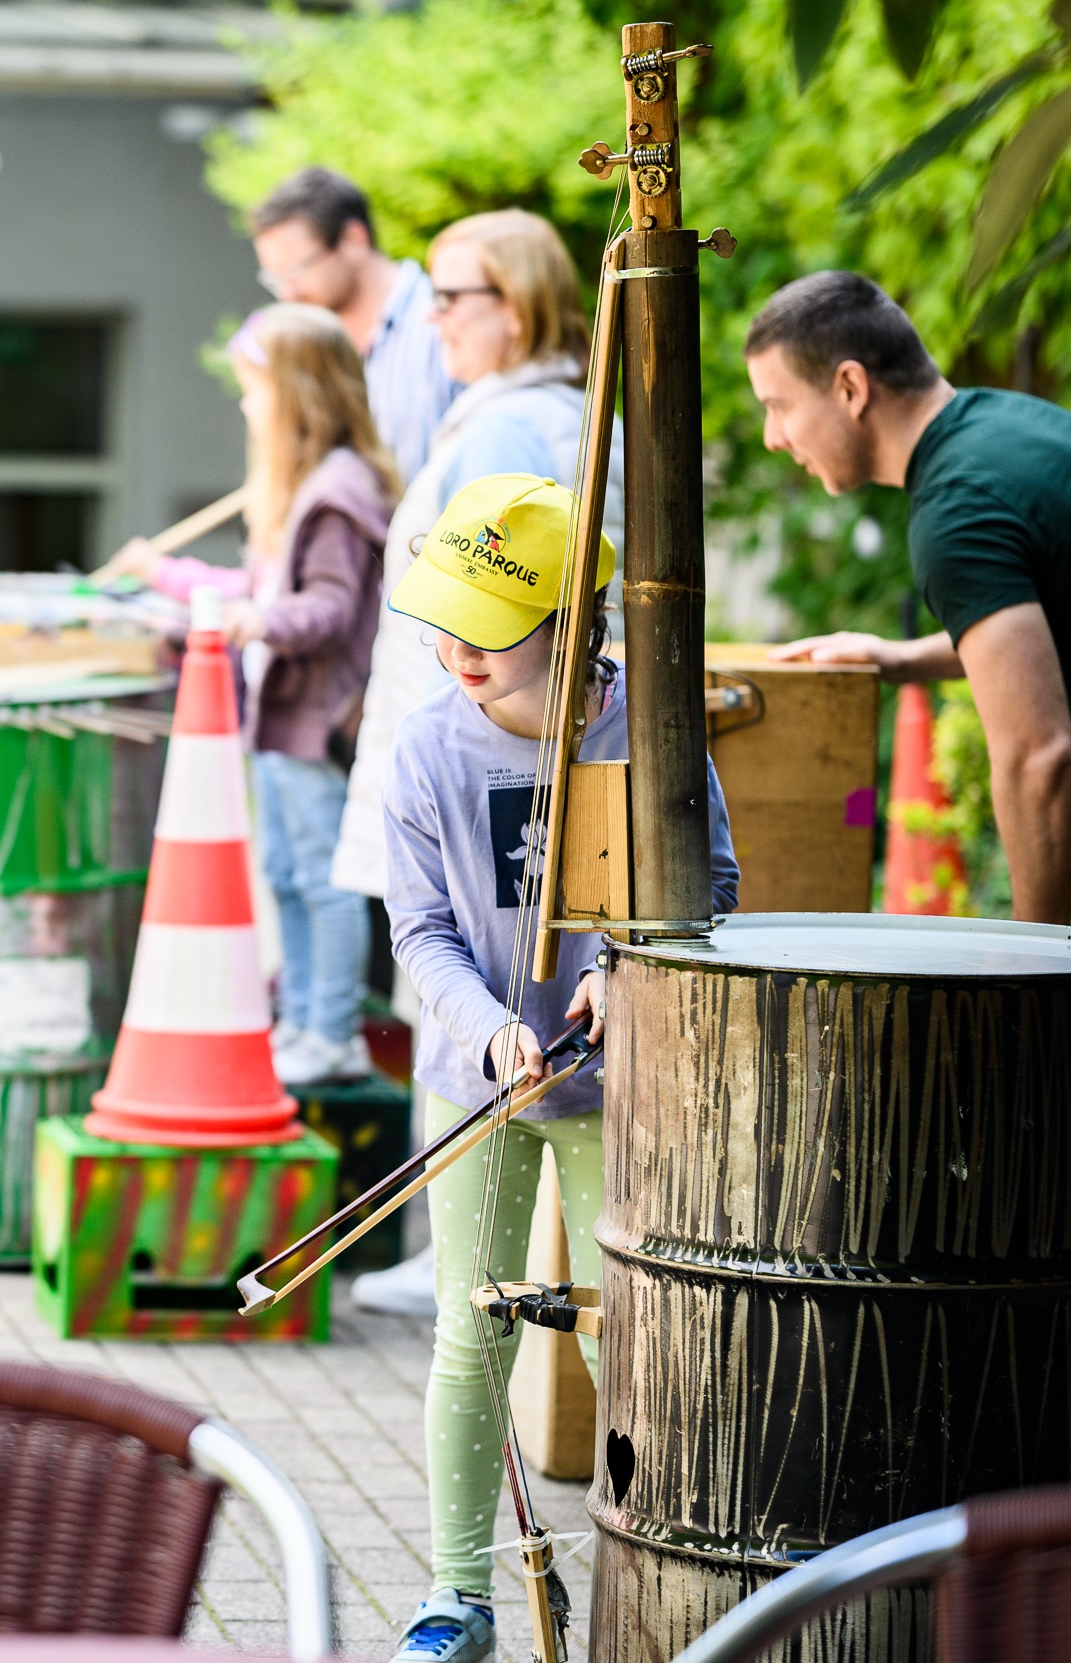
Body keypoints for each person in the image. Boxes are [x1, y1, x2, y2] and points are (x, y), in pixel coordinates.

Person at [748, 271, 1071, 1351]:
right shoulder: (1003, 431)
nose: (771, 438)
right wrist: (900, 658)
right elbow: (1036, 625)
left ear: (847, 386)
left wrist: (1037, 971)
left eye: (777, 405)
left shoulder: (957, 506)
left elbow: (1036, 758)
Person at [380, 475, 736, 1663]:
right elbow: (420, 928)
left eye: (490, 626)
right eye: (444, 618)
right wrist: (488, 1024)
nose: (456, 650)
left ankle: (651, 1579)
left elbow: (713, 880)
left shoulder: (642, 727)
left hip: (607, 1077)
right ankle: (456, 1594)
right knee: (466, 1332)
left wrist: (620, 969)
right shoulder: (424, 745)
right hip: (477, 1070)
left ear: (571, 622)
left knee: (617, 1334)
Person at [329, 210, 624, 1318]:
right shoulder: (525, 413)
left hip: (483, 759)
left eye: (457, 296)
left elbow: (504, 598)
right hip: (457, 759)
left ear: (523, 303)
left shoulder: (509, 440)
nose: (433, 317)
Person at [99, 305, 396, 1083]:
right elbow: (262, 586)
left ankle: (328, 1032)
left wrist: (252, 620)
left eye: (254, 388)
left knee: (322, 885)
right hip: (282, 720)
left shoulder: (337, 491)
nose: (245, 405)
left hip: (313, 719)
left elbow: (327, 608)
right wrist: (173, 579)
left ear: (298, 390)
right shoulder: (310, 487)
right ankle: (302, 1021)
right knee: (290, 876)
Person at [250, 167, 456, 483]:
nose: (285, 294)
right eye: (275, 279)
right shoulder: (314, 347)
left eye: (295, 272)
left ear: (353, 241)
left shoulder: (445, 326)